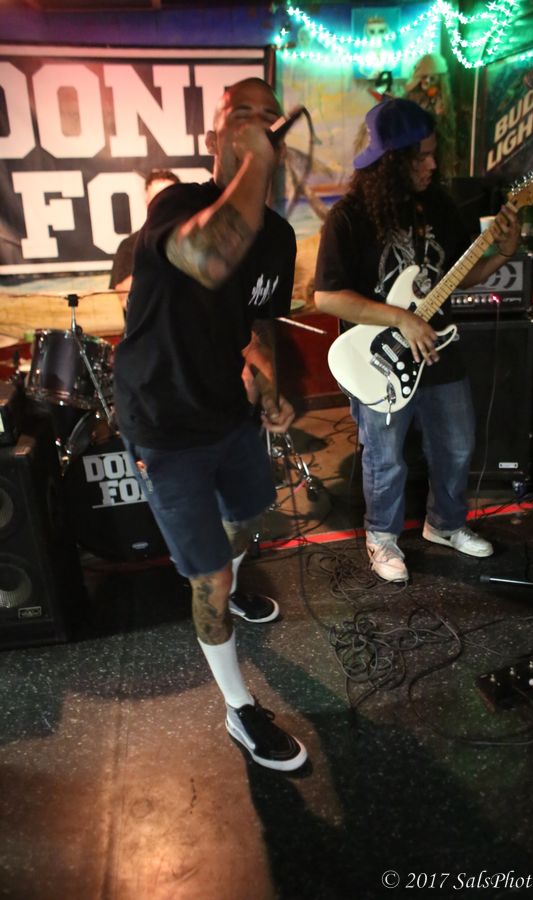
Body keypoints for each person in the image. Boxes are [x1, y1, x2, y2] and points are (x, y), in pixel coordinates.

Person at [112, 78, 307, 772]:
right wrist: (254, 162)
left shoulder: (278, 237)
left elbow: (259, 320)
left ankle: (230, 578)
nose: (257, 124)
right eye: (240, 115)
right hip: (163, 423)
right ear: (213, 138)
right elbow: (210, 255)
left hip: (227, 409)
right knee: (211, 581)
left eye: (267, 117)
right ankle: (238, 708)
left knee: (250, 516)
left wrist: (270, 380)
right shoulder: (178, 205)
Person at [314, 98, 520, 583]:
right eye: (420, 156)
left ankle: (444, 524)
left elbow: (459, 276)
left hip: (440, 351)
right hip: (381, 359)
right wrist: (399, 319)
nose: (432, 164)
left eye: (432, 153)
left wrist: (503, 253)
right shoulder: (349, 218)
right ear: (391, 162)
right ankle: (382, 537)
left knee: (457, 446)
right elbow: (327, 296)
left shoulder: (440, 208)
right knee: (385, 457)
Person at [109, 169, 181, 312]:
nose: (163, 205)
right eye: (157, 200)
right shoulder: (131, 244)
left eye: (169, 199)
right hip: (150, 323)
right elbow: (124, 297)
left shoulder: (193, 239)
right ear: (147, 203)